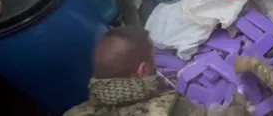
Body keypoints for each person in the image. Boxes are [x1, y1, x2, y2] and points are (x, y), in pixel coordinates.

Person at [64, 25, 249, 116]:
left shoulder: (74, 113)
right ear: (143, 70)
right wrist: (241, 105)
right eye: (154, 58)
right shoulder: (169, 109)